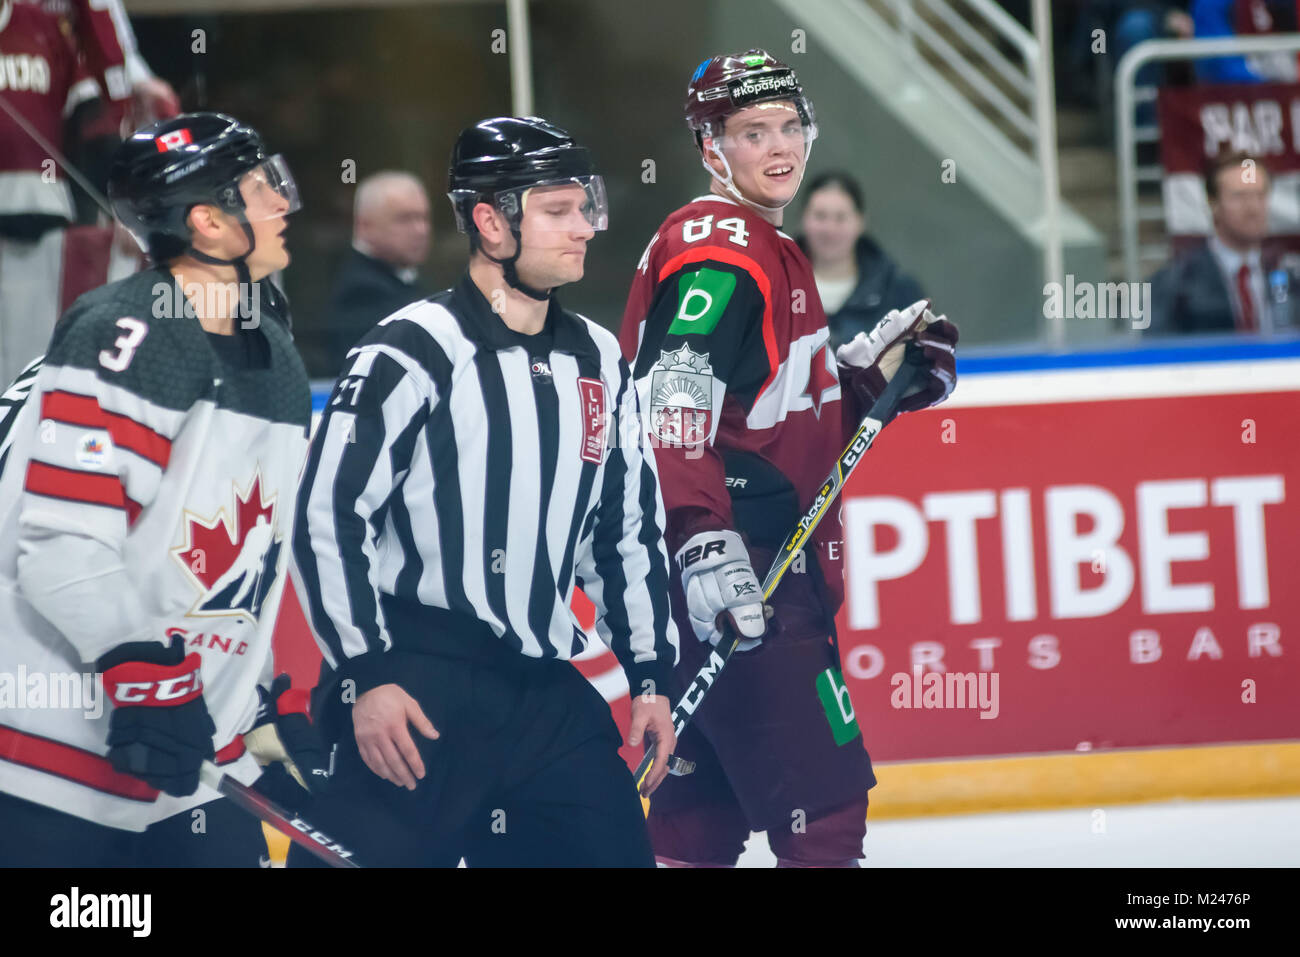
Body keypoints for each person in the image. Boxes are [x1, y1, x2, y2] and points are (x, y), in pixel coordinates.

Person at [290, 116, 679, 868]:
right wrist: (364, 676)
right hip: (415, 686)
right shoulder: (412, 347)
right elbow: (327, 514)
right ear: (490, 220)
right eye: (558, 210)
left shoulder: (597, 356)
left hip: (542, 695)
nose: (584, 228)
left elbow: (623, 530)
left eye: (586, 206)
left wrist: (651, 672)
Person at [619, 49, 958, 868]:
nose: (780, 149)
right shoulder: (721, 248)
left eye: (790, 127)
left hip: (702, 574)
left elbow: (757, 417)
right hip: (744, 575)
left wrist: (864, 381)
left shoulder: (760, 241)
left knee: (698, 819)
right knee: (825, 814)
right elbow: (673, 396)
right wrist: (702, 533)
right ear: (710, 148)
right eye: (751, 132)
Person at [0, 112, 328, 866]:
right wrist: (143, 670)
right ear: (209, 224)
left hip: (185, 770)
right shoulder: (128, 334)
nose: (284, 201)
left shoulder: (268, 357)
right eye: (260, 187)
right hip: (50, 764)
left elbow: (226, 573)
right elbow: (58, 546)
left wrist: (254, 712)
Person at [1149, 149, 1300, 334]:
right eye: (1239, 196)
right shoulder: (1176, 285)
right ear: (1213, 204)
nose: (1253, 208)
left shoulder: (1290, 274)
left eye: (1260, 195)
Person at [797, 171, 925, 349]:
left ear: (860, 222)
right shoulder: (771, 285)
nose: (829, 229)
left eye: (840, 218)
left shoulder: (898, 292)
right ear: (803, 219)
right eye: (820, 216)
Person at [323, 170, 432, 374]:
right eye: (405, 219)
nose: (421, 230)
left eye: (424, 218)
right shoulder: (361, 292)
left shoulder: (402, 277)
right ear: (365, 226)